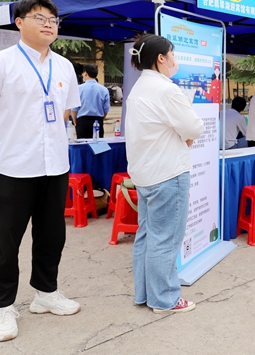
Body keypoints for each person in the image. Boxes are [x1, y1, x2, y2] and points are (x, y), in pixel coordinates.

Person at [0, 0, 81, 342]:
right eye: (40, 17)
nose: (49, 24)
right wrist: (2, 145)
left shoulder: (64, 66)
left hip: (54, 166)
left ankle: (46, 294)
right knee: (5, 241)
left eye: (54, 19)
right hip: (13, 168)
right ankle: (3, 308)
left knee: (51, 236)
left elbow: (64, 112)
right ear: (19, 22)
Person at [125, 33, 203, 314]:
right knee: (166, 239)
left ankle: (146, 294)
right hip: (168, 172)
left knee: (147, 236)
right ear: (161, 58)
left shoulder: (139, 88)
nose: (175, 59)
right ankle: (165, 298)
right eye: (173, 53)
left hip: (146, 173)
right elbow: (194, 128)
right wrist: (186, 134)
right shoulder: (166, 89)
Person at [71, 63, 110, 139]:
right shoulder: (104, 90)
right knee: (98, 147)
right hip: (98, 121)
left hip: (82, 122)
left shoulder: (78, 89)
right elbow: (106, 109)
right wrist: (100, 120)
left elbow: (74, 109)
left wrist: (76, 122)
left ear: (85, 73)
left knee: (83, 147)